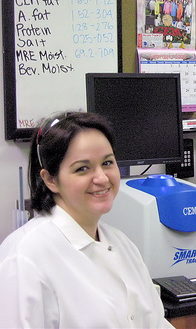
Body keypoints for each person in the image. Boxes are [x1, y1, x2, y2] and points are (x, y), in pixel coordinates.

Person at [0, 112, 174, 329]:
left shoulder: (122, 245)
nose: (102, 178)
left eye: (107, 162)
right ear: (51, 180)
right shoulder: (25, 257)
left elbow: (156, 323)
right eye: (82, 168)